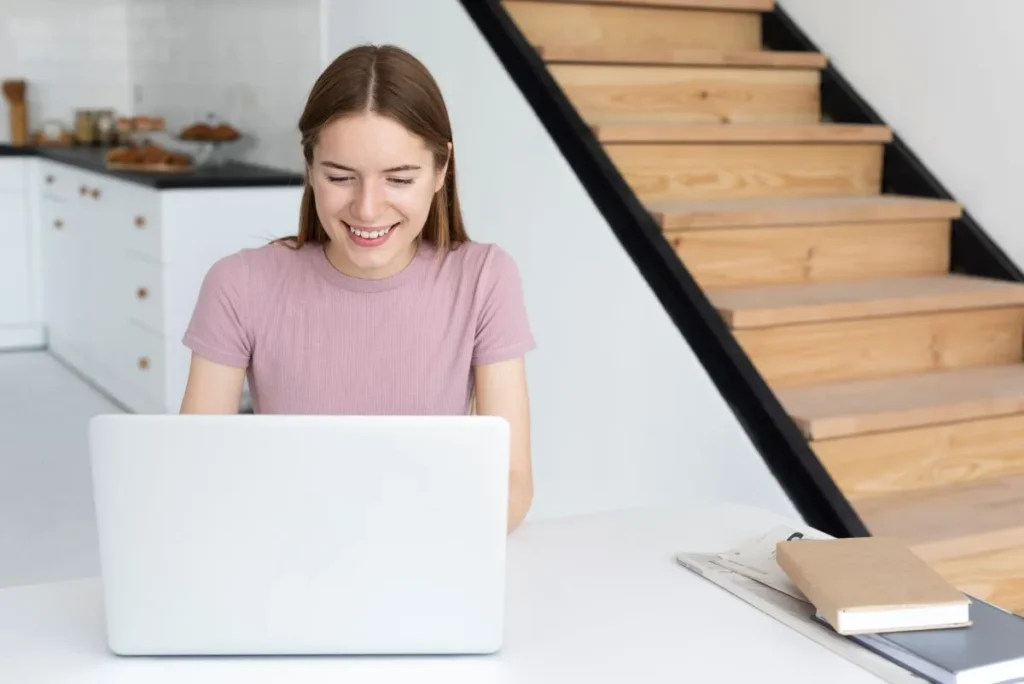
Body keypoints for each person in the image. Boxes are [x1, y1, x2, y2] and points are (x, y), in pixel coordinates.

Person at [178, 44, 536, 532]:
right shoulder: (238, 284)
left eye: (399, 178)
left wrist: (428, 546)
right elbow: (196, 471)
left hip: (430, 554)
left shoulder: (485, 278)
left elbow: (512, 480)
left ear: (440, 170)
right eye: (341, 177)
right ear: (309, 168)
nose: (368, 209)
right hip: (286, 559)